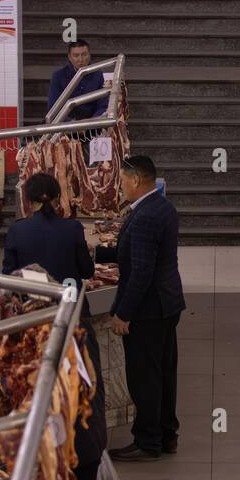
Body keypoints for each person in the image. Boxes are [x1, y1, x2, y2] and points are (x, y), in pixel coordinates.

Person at [2, 173, 108, 480]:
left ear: (29, 199)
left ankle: (43, 463)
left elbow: (8, 278)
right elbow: (87, 272)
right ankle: (84, 461)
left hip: (34, 324)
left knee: (39, 391)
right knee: (83, 388)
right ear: (57, 197)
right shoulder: (72, 228)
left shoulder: (18, 231)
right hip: (75, 320)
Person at [95, 156, 185, 462]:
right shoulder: (162, 207)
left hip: (149, 309)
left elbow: (142, 271)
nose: (120, 187)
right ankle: (166, 434)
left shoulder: (145, 215)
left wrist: (123, 313)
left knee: (144, 375)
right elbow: (137, 253)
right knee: (164, 371)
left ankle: (147, 441)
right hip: (167, 303)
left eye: (122, 181)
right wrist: (97, 252)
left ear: (136, 180)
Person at [45, 40, 106, 122]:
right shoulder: (58, 76)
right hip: (65, 126)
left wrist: (91, 122)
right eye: (76, 55)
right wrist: (71, 124)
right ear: (69, 57)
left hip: (92, 125)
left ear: (89, 55)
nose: (80, 59)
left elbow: (103, 104)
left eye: (84, 55)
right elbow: (53, 107)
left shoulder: (98, 74)